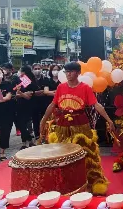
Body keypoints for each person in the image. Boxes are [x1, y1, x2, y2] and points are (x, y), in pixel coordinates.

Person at [40, 62, 116, 194]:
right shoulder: (60, 88)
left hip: (80, 124)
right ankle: (64, 182)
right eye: (66, 72)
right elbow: (53, 105)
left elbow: (96, 105)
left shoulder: (85, 88)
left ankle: (92, 182)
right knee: (62, 155)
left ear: (78, 73)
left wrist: (109, 120)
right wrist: (43, 120)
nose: (68, 74)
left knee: (86, 154)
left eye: (71, 71)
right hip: (63, 125)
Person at [14, 64, 40, 148]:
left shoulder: (25, 80)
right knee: (22, 124)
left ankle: (28, 141)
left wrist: (21, 93)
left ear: (24, 72)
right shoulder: (20, 80)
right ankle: (28, 141)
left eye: (21, 71)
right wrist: (20, 94)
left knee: (23, 124)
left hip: (26, 105)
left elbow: (28, 94)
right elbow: (16, 93)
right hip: (21, 104)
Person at [30, 63, 49, 142]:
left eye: (38, 68)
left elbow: (45, 92)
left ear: (41, 69)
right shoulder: (29, 79)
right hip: (33, 103)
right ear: (32, 70)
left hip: (44, 103)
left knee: (43, 119)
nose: (37, 70)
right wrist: (37, 92)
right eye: (35, 68)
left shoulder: (45, 79)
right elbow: (29, 92)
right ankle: (37, 135)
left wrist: (35, 92)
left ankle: (44, 134)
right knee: (35, 120)